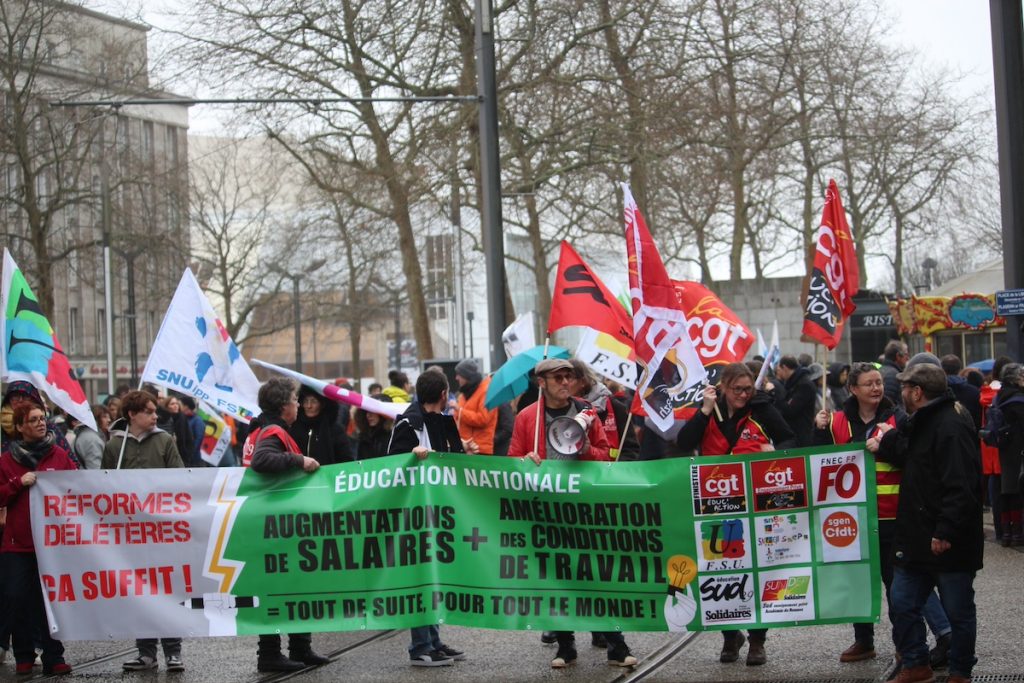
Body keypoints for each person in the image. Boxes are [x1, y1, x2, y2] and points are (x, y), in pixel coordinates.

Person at [814, 363, 953, 663]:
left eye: (878, 382)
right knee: (858, 581)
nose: (876, 388)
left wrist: (886, 444)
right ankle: (863, 641)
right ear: (853, 389)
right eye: (869, 384)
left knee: (898, 586)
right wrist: (819, 431)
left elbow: (911, 456)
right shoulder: (837, 421)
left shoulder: (898, 417)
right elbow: (821, 463)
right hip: (852, 518)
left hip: (893, 516)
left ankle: (905, 645)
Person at [507, 359, 637, 669]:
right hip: (548, 509)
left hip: (584, 507)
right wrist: (526, 460)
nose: (565, 382)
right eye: (557, 378)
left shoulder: (588, 412)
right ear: (542, 383)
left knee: (597, 575)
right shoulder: (527, 417)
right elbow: (511, 461)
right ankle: (566, 646)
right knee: (558, 577)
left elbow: (606, 456)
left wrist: (584, 449)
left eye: (568, 377)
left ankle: (617, 646)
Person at [676, 362, 795, 666]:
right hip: (717, 504)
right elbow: (683, 443)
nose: (744, 394)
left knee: (758, 573)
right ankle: (730, 635)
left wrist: (773, 453)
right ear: (723, 388)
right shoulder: (710, 411)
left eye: (748, 388)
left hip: (756, 505)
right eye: (737, 389)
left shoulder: (761, 409)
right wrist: (704, 410)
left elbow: (790, 440)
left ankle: (757, 639)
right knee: (720, 572)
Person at [871, 364, 983, 683]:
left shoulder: (950, 424)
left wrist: (945, 530)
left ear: (917, 392)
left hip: (947, 539)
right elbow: (911, 455)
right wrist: (889, 439)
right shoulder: (923, 420)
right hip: (915, 536)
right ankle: (916, 663)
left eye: (905, 387)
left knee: (958, 610)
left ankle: (961, 670)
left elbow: (960, 484)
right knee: (902, 603)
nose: (900, 393)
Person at [240, 378, 331, 672]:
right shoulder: (274, 430)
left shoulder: (259, 428)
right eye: (294, 400)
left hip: (268, 519)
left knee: (293, 584)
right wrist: (299, 460)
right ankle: (269, 653)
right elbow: (262, 461)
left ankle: (300, 648)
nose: (298, 405)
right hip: (273, 521)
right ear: (283, 406)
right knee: (279, 586)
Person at [100, 390, 186, 671]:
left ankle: (173, 651)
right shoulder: (115, 446)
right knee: (140, 592)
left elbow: (180, 481)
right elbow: (102, 489)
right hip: (131, 535)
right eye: (149, 411)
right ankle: (146, 652)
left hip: (161, 532)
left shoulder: (164, 441)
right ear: (132, 415)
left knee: (167, 590)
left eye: (154, 411)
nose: (155, 415)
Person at [387, 371, 468, 667]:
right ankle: (420, 647)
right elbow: (390, 463)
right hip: (416, 514)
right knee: (421, 578)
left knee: (434, 578)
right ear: (444, 394)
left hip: (438, 510)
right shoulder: (410, 423)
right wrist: (411, 454)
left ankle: (433, 641)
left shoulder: (441, 421)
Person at [0, 403, 77, 676]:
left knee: (50, 600)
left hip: (52, 545)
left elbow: (78, 488)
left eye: (42, 418)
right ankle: (24, 655)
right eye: (33, 420)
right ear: (20, 427)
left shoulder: (58, 455)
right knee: (16, 598)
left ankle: (54, 656)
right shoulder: (7, 461)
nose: (41, 423)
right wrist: (16, 484)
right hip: (18, 545)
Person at [993, 363, 1024, 546]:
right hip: (1019, 449)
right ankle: (1018, 533)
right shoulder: (1018, 400)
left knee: (1007, 490)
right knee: (1017, 491)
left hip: (1004, 449)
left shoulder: (1000, 396)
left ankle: (1007, 533)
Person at [289, 385, 353, 466]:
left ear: (322, 404)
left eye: (314, 401)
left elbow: (346, 459)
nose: (309, 406)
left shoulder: (335, 429)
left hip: (327, 476)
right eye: (305, 401)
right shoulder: (294, 426)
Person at [453, 359, 498, 454]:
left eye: (459, 374)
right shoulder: (463, 394)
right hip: (464, 449)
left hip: (480, 450)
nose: (456, 378)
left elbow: (483, 419)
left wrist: (459, 410)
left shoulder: (487, 392)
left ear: (467, 376)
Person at [774, 355, 817, 446]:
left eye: (779, 370)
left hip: (801, 436)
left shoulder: (804, 385)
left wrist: (776, 393)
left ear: (784, 367)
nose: (779, 373)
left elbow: (791, 409)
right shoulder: (793, 383)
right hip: (795, 434)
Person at [941, 355, 981, 431]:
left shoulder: (937, 391)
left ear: (942, 370)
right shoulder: (974, 391)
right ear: (959, 369)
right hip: (969, 435)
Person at [880, 340, 910, 406]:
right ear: (898, 356)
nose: (908, 358)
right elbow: (887, 404)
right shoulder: (893, 376)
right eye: (906, 354)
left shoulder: (881, 370)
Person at [179, 397, 207, 466]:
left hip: (193, 460)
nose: (177, 406)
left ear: (186, 406)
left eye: (179, 404)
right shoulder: (181, 418)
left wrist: (190, 454)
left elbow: (198, 439)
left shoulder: (197, 420)